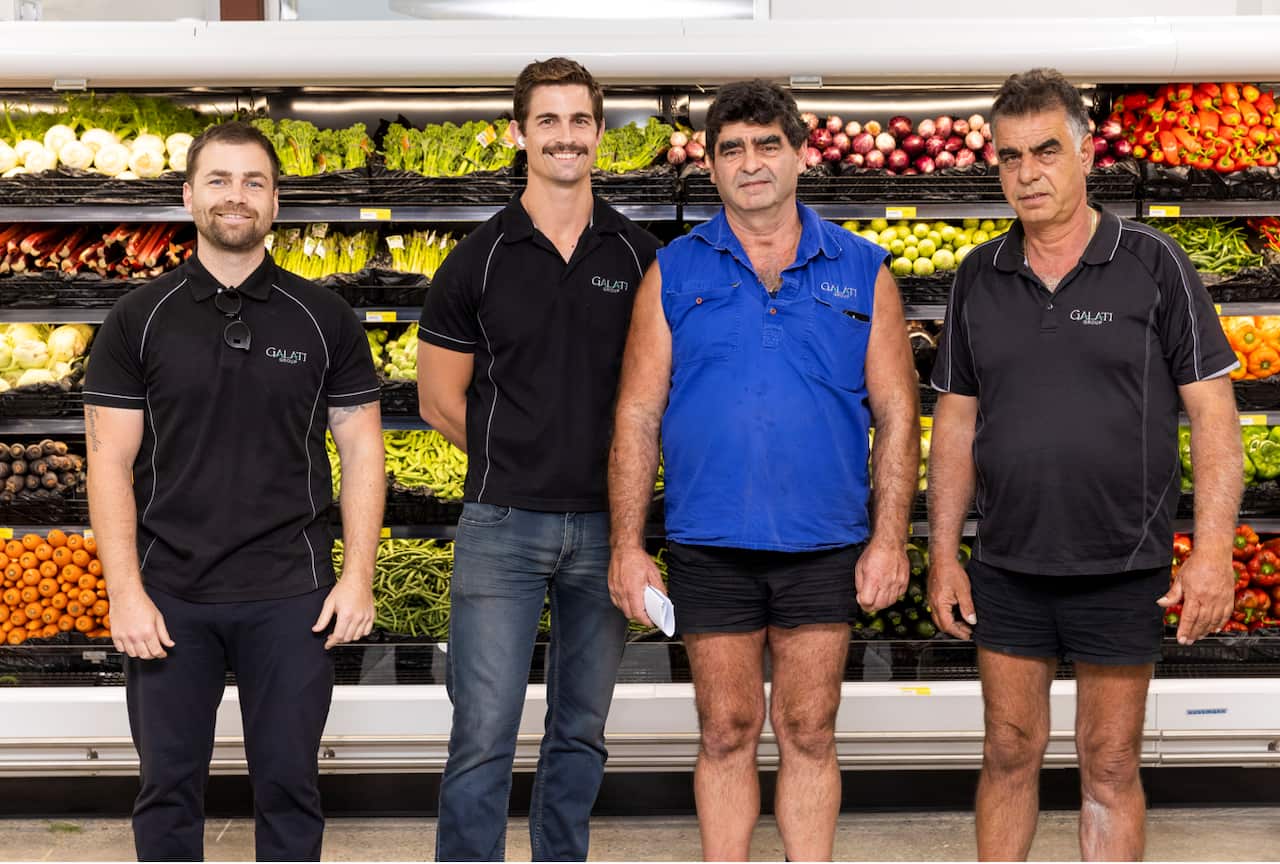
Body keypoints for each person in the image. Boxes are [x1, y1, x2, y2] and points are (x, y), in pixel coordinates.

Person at [927, 68, 1241, 861]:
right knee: (1006, 754)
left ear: (1084, 152)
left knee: (1108, 762)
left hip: (1124, 560)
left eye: (1044, 152)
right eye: (1008, 158)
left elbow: (1213, 419)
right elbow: (956, 425)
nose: (1027, 173)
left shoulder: (1155, 263)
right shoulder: (974, 277)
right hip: (1006, 561)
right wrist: (940, 555)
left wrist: (1212, 555)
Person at [608, 79, 919, 861]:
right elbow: (638, 416)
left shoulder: (864, 270)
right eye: (733, 149)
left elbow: (898, 417)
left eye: (768, 145)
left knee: (810, 729)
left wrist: (889, 541)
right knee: (725, 729)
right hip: (709, 541)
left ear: (801, 155)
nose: (752, 164)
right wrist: (627, 545)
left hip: (824, 542)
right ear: (710, 167)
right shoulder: (673, 273)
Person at [83, 121, 385, 862]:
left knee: (288, 786)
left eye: (254, 181)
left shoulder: (326, 317)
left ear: (276, 201)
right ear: (188, 196)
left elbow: (363, 450)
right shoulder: (136, 319)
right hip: (170, 592)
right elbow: (107, 463)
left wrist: (358, 577)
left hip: (292, 595)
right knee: (166, 788)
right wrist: (123, 590)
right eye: (218, 180)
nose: (236, 197)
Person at [417, 57, 661, 862]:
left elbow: (660, 391)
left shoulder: (637, 254)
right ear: (520, 133)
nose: (565, 137)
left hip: (606, 530)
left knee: (580, 731)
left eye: (580, 121)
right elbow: (437, 399)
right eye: (547, 121)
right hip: (501, 526)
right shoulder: (478, 258)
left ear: (599, 132)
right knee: (481, 732)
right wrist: (513, 456)